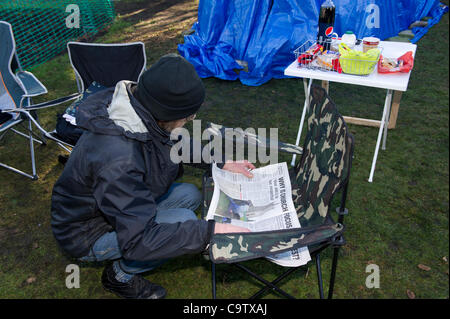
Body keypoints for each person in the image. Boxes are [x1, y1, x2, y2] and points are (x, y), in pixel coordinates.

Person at [50, 53, 254, 299]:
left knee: (189, 194)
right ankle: (119, 275)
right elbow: (140, 242)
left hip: (108, 209)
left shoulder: (137, 107)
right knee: (182, 220)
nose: (190, 121)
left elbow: (175, 141)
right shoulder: (119, 159)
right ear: (166, 114)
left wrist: (221, 162)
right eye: (189, 116)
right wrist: (209, 233)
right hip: (86, 232)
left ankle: (127, 259)